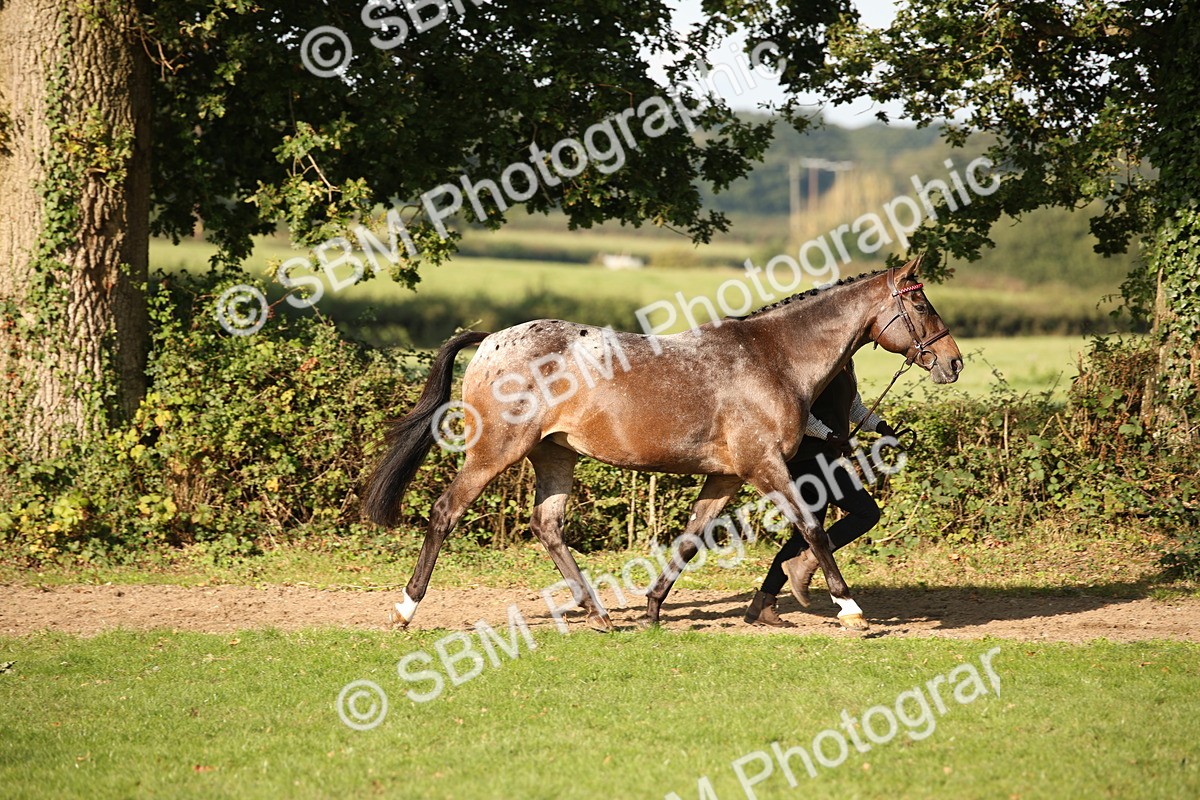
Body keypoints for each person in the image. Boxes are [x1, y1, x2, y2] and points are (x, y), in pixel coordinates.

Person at [743, 359, 897, 627]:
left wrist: (880, 427)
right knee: (866, 512)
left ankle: (762, 604)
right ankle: (811, 559)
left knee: (804, 536)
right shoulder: (816, 362)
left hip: (825, 458)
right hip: (807, 459)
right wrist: (828, 435)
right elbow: (800, 411)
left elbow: (854, 408)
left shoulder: (847, 365)